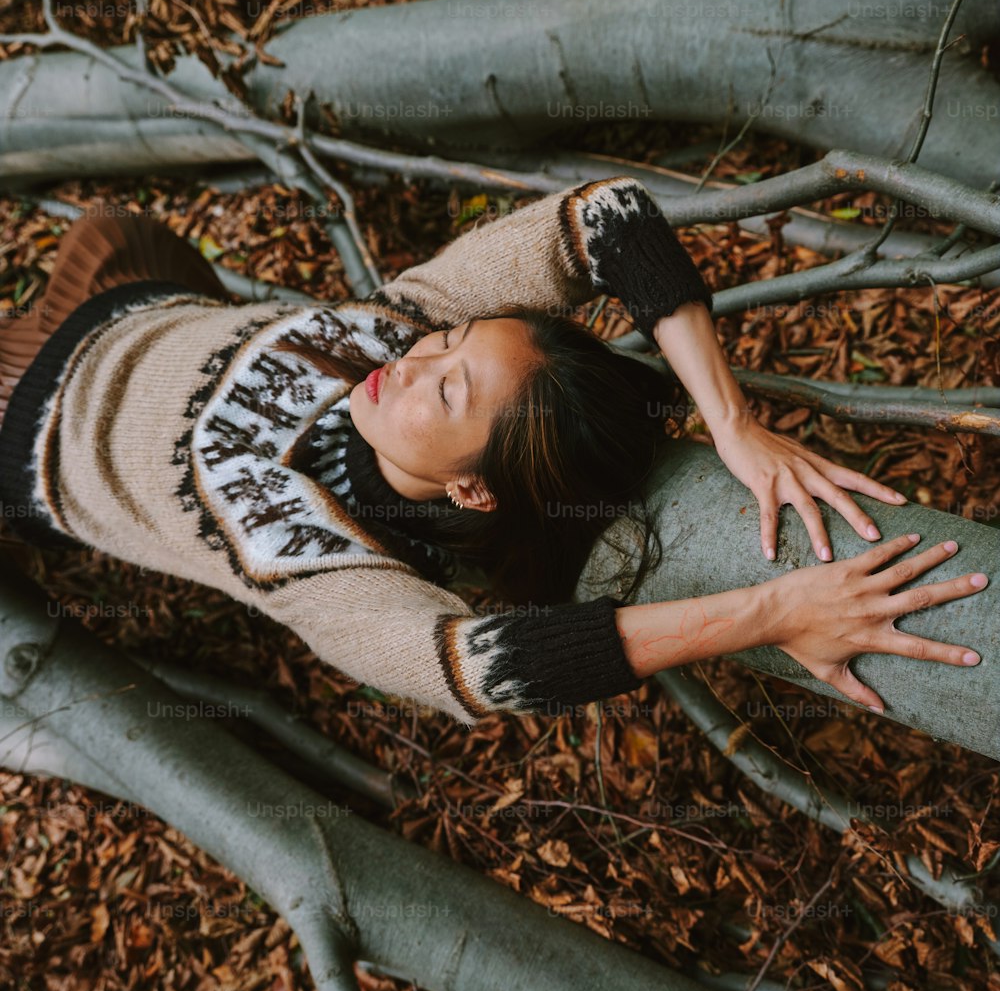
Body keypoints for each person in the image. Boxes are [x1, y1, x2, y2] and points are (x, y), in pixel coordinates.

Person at [0, 178, 987, 724]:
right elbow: (605, 214)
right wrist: (729, 422)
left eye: (450, 388)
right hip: (129, 281)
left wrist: (774, 607)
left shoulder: (320, 570)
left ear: (471, 487)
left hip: (24, 429)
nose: (419, 361)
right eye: (449, 345)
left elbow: (489, 667)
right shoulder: (408, 326)